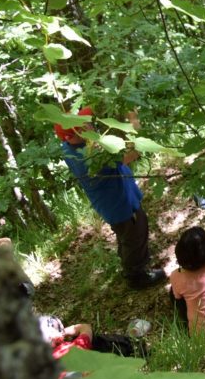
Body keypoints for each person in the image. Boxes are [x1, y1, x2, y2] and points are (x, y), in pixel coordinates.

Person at [55, 107, 165, 289]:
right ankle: (137, 276)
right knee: (135, 233)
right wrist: (133, 119)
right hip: (120, 205)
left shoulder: (72, 147)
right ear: (73, 135)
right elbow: (134, 152)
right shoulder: (90, 159)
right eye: (83, 126)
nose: (90, 126)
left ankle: (129, 264)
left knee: (127, 236)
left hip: (116, 200)